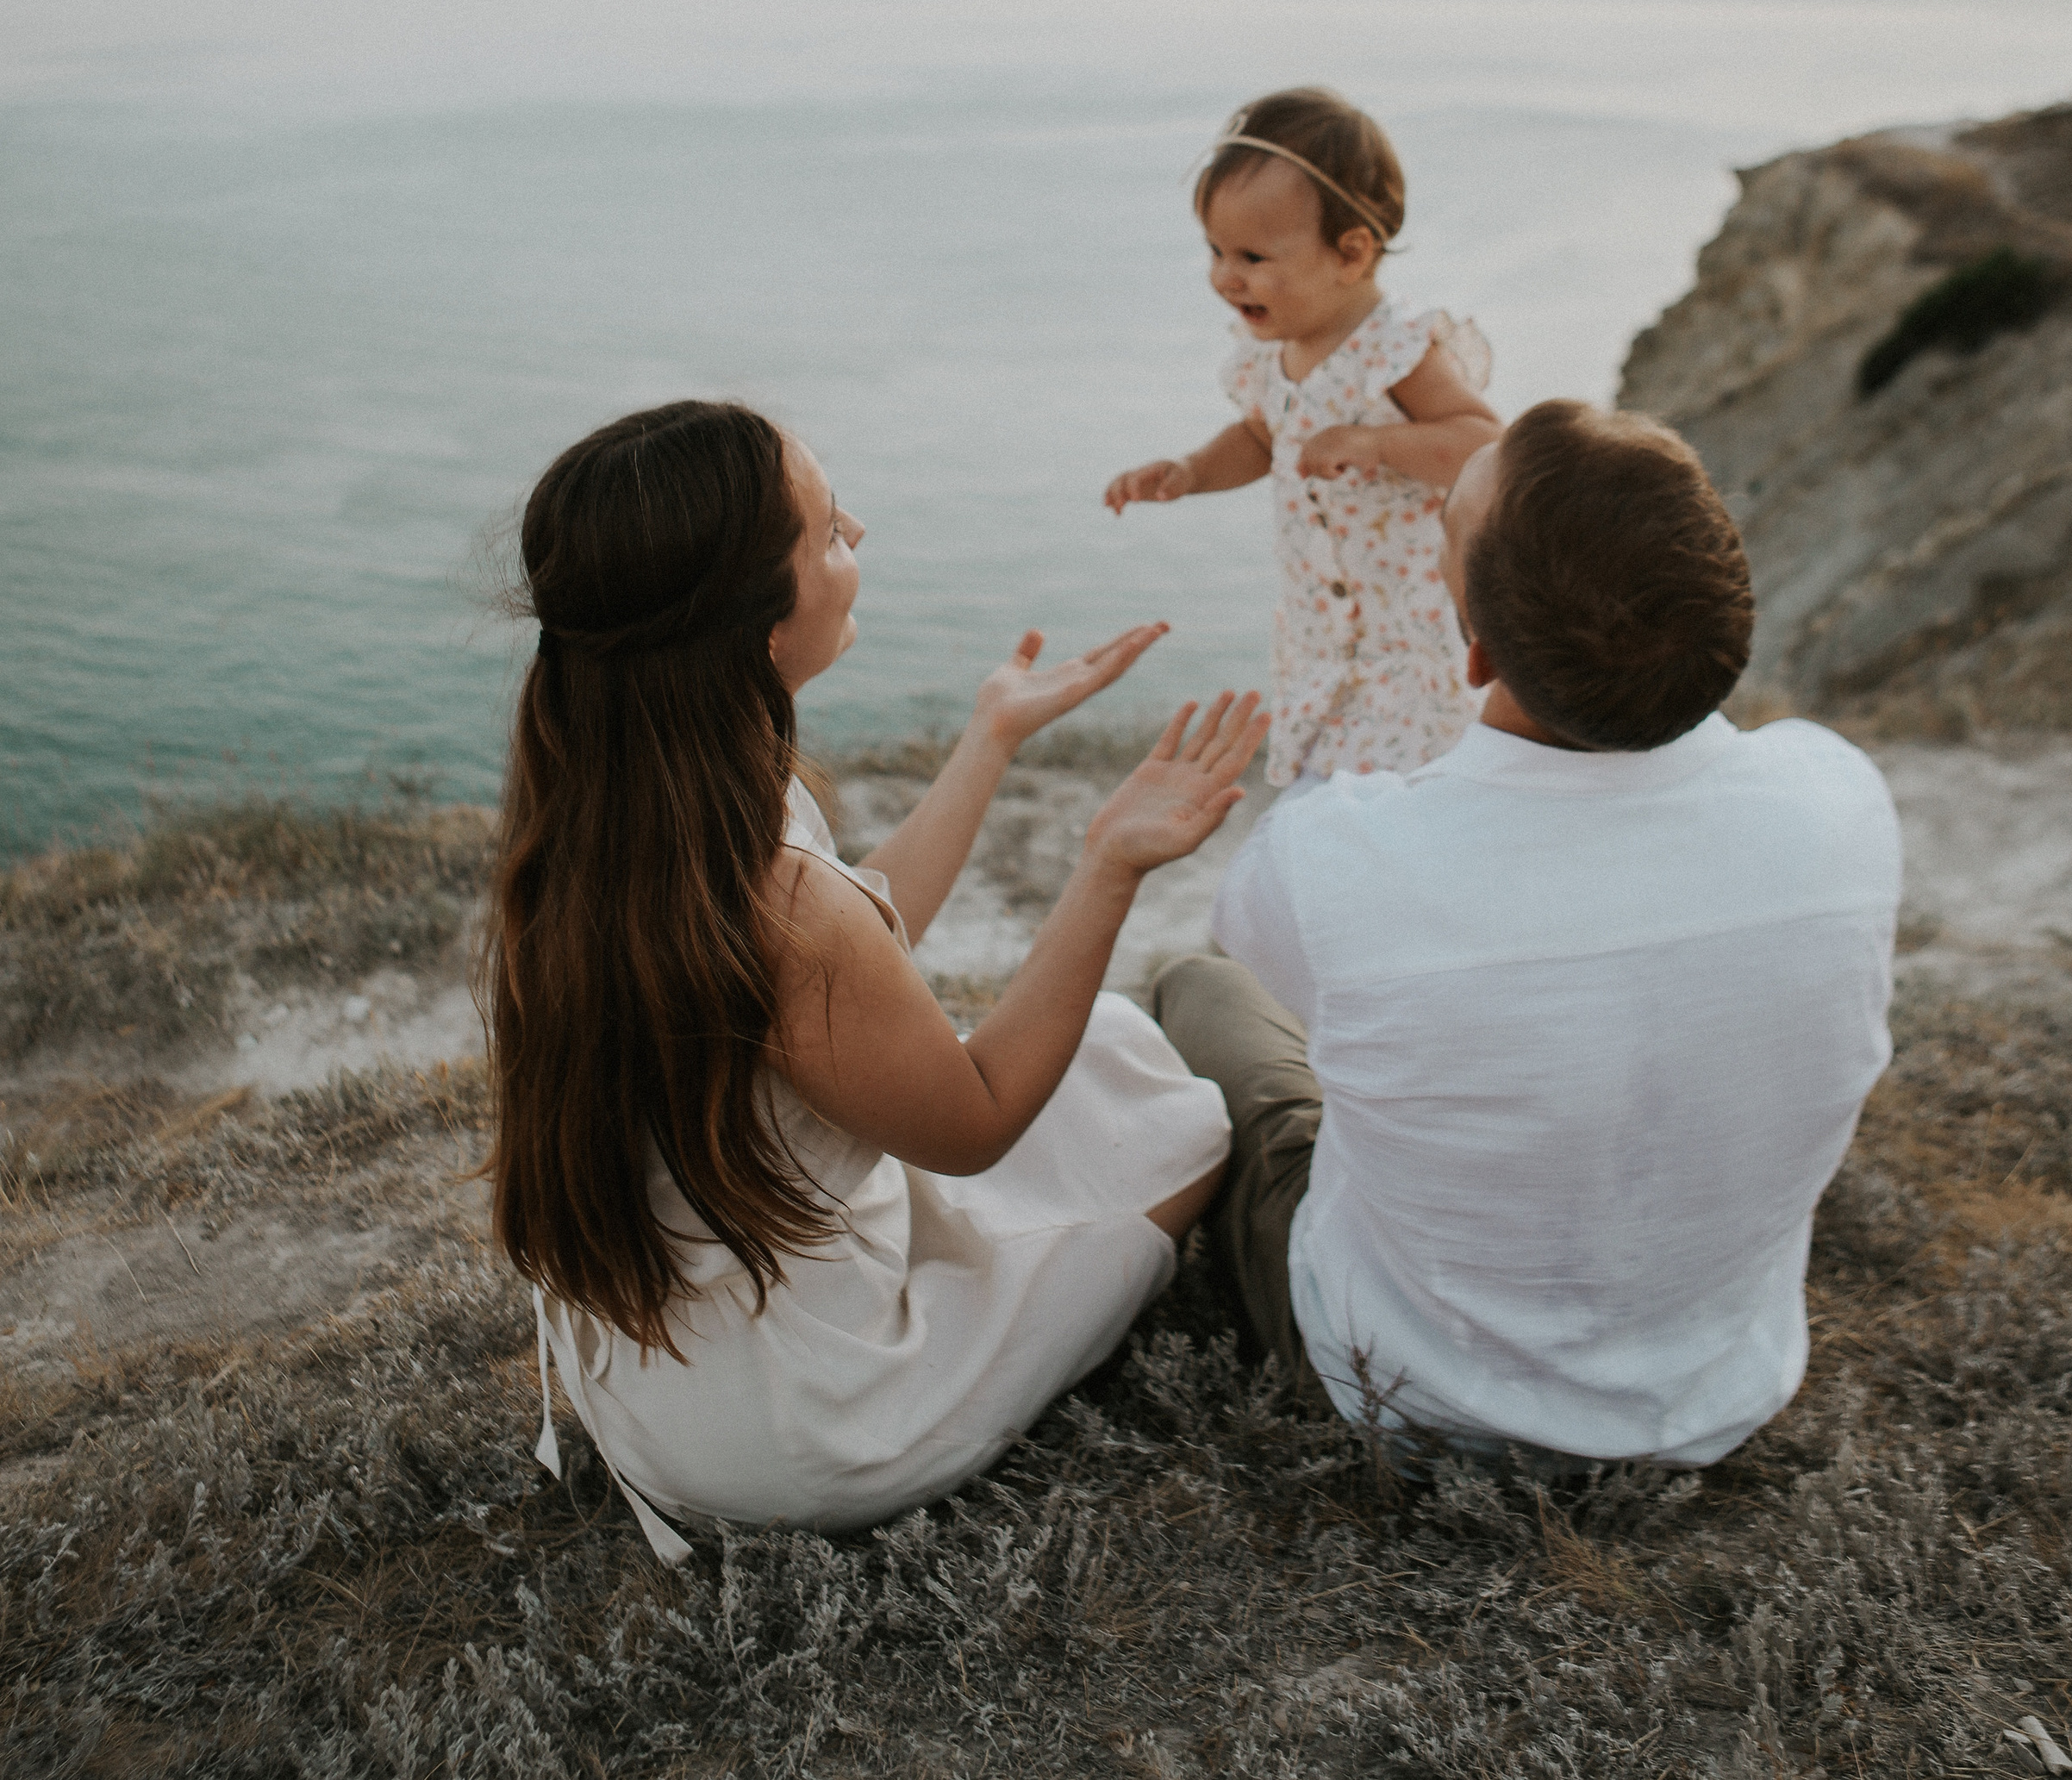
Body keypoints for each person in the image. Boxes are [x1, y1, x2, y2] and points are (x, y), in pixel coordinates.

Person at [481, 398, 1265, 1555]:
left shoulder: (612, 801)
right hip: (817, 1430)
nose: (861, 531)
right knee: (1182, 1120)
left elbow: (861, 931)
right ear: (757, 630)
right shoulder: (766, 890)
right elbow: (976, 1122)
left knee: (1105, 1047)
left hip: (666, 1393)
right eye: (829, 532)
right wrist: (1110, 864)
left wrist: (990, 737)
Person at [1151, 399, 1900, 1469]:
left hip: (1401, 1388)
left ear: (1470, 653)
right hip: (1717, 1395)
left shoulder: (1334, 856)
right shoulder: (1841, 800)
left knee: (1197, 987)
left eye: (1444, 526)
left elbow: (1299, 963)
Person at [1104, 85, 1501, 790]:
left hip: (1407, 632)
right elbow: (1263, 438)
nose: (1227, 277)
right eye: (1216, 250)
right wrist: (1192, 470)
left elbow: (1482, 445)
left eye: (1254, 257)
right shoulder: (1270, 351)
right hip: (1323, 634)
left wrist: (1379, 446)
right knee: (1334, 779)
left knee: (1410, 783)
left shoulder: (1393, 347)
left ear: (1351, 253)